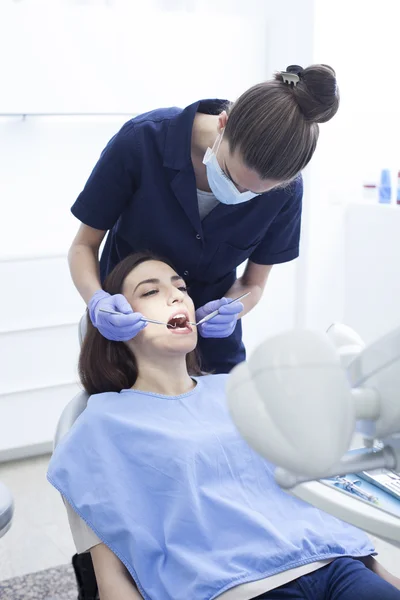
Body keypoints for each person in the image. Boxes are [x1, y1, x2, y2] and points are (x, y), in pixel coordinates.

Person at [67, 62, 339, 597]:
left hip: (211, 341)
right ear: (225, 124)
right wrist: (98, 300)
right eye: (236, 179)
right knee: (138, 476)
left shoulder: (284, 191)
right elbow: (83, 246)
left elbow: (253, 283)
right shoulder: (143, 142)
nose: (242, 193)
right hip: (124, 334)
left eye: (258, 192)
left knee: (235, 466)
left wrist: (236, 306)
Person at [48, 253, 400, 600]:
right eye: (150, 291)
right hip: (235, 587)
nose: (177, 296)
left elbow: (309, 500)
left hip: (335, 565)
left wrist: (381, 576)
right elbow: (111, 582)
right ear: (116, 320)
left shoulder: (239, 391)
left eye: (181, 287)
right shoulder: (100, 425)